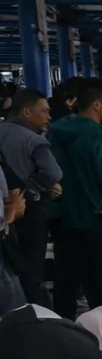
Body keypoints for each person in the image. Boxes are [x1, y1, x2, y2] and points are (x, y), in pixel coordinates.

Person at [47, 79, 102, 316]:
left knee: (66, 279)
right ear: (96, 105)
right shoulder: (97, 137)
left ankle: (64, 325)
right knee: (100, 283)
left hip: (62, 218)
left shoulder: (55, 131)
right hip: (95, 219)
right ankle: (101, 328)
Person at [0, 87, 62, 306]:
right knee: (31, 271)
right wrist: (34, 188)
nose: (49, 116)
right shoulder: (33, 140)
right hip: (29, 212)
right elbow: (54, 173)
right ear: (26, 112)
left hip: (5, 216)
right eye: (44, 111)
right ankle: (36, 315)